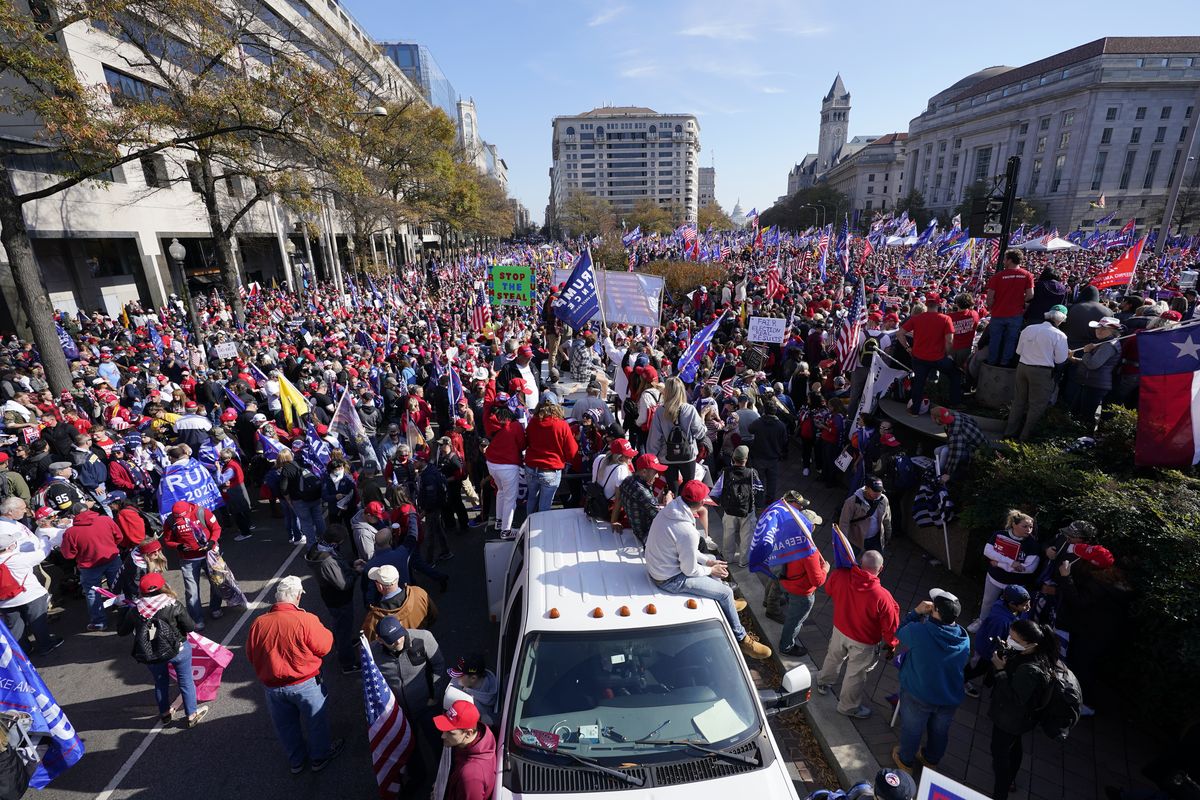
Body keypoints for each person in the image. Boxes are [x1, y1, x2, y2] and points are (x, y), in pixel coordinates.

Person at [644, 480, 771, 659]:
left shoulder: (670, 510)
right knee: (726, 591)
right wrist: (711, 571)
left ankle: (728, 606)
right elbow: (688, 571)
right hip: (669, 579)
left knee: (711, 559)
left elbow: (685, 552)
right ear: (702, 503)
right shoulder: (686, 531)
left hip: (659, 568)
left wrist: (709, 564)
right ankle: (742, 639)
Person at [245, 575, 344, 774]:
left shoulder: (259, 623)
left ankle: (296, 761)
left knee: (286, 727)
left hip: (272, 687)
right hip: (306, 684)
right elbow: (325, 646)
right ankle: (319, 757)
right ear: (298, 596)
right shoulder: (306, 620)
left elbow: (251, 654)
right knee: (316, 721)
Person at [892, 588, 970, 773]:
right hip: (948, 697)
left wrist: (916, 612)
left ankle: (905, 761)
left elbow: (900, 631)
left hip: (918, 693)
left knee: (912, 729)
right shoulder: (963, 636)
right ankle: (931, 759)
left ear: (935, 611)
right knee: (939, 731)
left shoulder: (919, 631)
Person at [117, 572, 209, 728]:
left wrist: (121, 609)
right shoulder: (173, 604)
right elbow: (191, 627)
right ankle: (191, 715)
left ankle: (165, 715)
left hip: (152, 653)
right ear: (163, 587)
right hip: (178, 650)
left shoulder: (135, 609)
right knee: (186, 681)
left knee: (160, 682)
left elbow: (122, 631)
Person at [816, 550, 900, 718]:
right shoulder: (883, 597)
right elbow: (891, 626)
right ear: (881, 568)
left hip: (840, 629)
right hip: (864, 642)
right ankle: (848, 707)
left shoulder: (841, 575)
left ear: (860, 563)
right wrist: (892, 644)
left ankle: (823, 682)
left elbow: (829, 589)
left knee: (833, 657)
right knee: (855, 674)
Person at [373, 616, 446, 790]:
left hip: (427, 706)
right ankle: (418, 776)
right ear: (379, 640)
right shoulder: (372, 653)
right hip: (400, 712)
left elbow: (439, 665)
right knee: (408, 747)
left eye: (400, 634)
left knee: (438, 742)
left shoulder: (424, 637)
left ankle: (445, 774)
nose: (399, 640)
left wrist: (434, 696)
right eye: (391, 640)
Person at [988, 619, 1058, 799]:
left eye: (1015, 640)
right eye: (1009, 637)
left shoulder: (1030, 670)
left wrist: (1001, 670)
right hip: (1020, 721)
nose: (1009, 641)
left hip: (1011, 719)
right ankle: (1010, 779)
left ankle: (1001, 791)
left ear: (1031, 644)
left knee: (1000, 755)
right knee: (1014, 746)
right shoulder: (1036, 656)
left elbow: (1015, 699)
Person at [967, 510, 1041, 633]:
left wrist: (1000, 563)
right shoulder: (1000, 535)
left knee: (1010, 608)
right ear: (1014, 525)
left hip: (1015, 585)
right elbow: (988, 552)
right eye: (1025, 526)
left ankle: (1005, 630)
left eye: (1031, 527)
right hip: (994, 578)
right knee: (987, 601)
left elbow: (1029, 568)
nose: (1029, 529)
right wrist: (1011, 562)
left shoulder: (1033, 545)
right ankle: (982, 621)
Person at [1002, 305, 1069, 441]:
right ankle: (1024, 437)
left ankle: (1009, 433)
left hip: (1023, 367)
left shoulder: (1029, 328)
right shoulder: (1060, 335)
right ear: (1061, 319)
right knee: (1037, 405)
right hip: (1041, 372)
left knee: (1018, 402)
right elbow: (1060, 359)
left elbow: (1019, 351)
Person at [776, 494, 828, 658]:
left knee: (792, 613)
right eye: (813, 525)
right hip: (801, 591)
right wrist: (825, 568)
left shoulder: (788, 537)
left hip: (787, 583)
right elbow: (817, 580)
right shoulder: (809, 551)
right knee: (795, 621)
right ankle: (786, 646)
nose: (814, 527)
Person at [59, 501, 123, 631]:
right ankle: (125, 612)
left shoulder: (70, 532)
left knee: (93, 593)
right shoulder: (106, 520)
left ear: (74, 515)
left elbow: (68, 555)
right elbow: (119, 537)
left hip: (89, 566)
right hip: (112, 558)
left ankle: (99, 622)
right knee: (119, 586)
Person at [304, 524, 359, 674]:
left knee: (339, 625)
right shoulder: (327, 562)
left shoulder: (318, 547)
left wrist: (350, 565)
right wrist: (355, 572)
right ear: (335, 542)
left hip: (330, 597)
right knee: (343, 628)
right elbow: (343, 584)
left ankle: (344, 644)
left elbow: (337, 567)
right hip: (339, 599)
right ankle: (347, 663)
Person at [0, 523, 63, 654]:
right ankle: (45, 646)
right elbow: (43, 553)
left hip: (5, 601)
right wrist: (44, 539)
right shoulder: (18, 558)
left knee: (15, 626)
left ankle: (22, 651)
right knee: (37, 621)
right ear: (10, 546)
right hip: (29, 595)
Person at [161, 499, 223, 630]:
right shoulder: (170, 521)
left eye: (183, 517)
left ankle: (215, 608)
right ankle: (197, 619)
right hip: (188, 560)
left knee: (216, 583)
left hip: (209, 556)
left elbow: (216, 528)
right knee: (191, 591)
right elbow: (167, 541)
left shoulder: (202, 512)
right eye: (178, 518)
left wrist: (212, 542)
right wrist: (179, 546)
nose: (181, 520)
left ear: (189, 510)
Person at [963, 584, 1030, 698]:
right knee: (976, 668)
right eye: (1024, 605)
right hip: (986, 650)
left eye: (1028, 603)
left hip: (991, 649)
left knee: (982, 668)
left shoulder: (1005, 606)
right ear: (1012, 604)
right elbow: (993, 640)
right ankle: (961, 681)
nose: (1028, 607)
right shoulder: (1001, 621)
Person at [896, 302, 959, 415]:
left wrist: (907, 348)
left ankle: (915, 410)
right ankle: (954, 405)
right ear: (938, 304)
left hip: (919, 358)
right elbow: (949, 341)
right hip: (938, 358)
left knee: (918, 383)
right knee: (955, 375)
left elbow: (900, 333)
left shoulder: (916, 318)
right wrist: (949, 354)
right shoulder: (945, 318)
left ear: (926, 304)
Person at [646, 376, 707, 490]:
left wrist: (652, 458)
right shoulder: (690, 409)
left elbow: (654, 438)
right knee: (689, 487)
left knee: (672, 490)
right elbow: (700, 433)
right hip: (687, 455)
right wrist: (702, 418)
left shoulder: (660, 411)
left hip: (667, 456)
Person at [433, 699, 497, 800]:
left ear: (468, 733)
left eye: (450, 732)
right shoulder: (479, 735)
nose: (443, 736)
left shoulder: (471, 778)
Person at [1067, 316, 1122, 432]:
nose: (1099, 331)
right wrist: (1074, 359)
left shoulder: (1108, 345)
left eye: (1103, 329)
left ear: (1113, 331)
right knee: (1077, 412)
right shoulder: (1104, 343)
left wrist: (1086, 352)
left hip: (1096, 385)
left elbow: (1093, 364)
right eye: (1098, 328)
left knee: (1086, 417)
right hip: (1091, 382)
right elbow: (1091, 363)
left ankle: (1085, 440)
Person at [523, 399, 577, 516]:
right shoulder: (562, 425)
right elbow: (572, 451)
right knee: (545, 505)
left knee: (532, 498)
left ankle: (529, 523)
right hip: (550, 470)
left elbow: (525, 442)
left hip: (531, 468)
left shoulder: (533, 422)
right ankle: (539, 530)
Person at [710, 445, 761, 566]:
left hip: (729, 510)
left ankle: (727, 558)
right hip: (747, 510)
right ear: (746, 458)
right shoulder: (752, 473)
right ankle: (744, 560)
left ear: (733, 458)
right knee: (747, 536)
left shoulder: (726, 472)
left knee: (728, 534)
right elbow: (758, 489)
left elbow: (716, 491)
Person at [361, 563, 437, 641]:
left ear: (380, 586)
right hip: (423, 641)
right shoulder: (419, 593)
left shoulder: (373, 620)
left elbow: (370, 644)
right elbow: (433, 615)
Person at [985, 250, 1035, 366]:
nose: (1003, 261)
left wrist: (991, 307)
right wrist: (1021, 303)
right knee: (1011, 340)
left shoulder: (997, 276)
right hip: (1016, 314)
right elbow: (1030, 295)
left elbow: (989, 298)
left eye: (1005, 259)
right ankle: (1004, 363)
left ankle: (992, 363)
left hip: (998, 314)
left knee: (995, 340)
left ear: (1010, 260)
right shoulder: (1027, 275)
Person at [483, 403, 525, 540]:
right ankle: (505, 531)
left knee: (501, 492)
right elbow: (522, 444)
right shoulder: (515, 426)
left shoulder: (493, 424)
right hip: (507, 466)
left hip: (491, 464)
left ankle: (499, 522)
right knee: (510, 499)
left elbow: (487, 408)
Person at [612, 453, 669, 545]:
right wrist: (669, 502)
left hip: (637, 528)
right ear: (644, 472)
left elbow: (619, 501)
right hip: (648, 535)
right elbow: (662, 518)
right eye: (655, 472)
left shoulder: (627, 480)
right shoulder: (643, 492)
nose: (658, 476)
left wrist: (613, 521)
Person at [931, 408, 988, 485]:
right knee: (937, 451)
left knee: (945, 451)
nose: (932, 420)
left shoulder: (956, 434)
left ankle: (940, 477)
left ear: (938, 420)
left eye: (933, 418)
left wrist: (948, 473)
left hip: (977, 451)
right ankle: (938, 470)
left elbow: (955, 455)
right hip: (966, 444)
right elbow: (974, 422)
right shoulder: (957, 415)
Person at [838, 475, 892, 555]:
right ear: (866, 488)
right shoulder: (852, 502)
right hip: (856, 541)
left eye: (880, 491)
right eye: (875, 491)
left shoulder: (883, 500)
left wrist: (888, 535)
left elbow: (887, 519)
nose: (878, 494)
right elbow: (844, 523)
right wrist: (844, 544)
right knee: (853, 565)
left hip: (875, 540)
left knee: (874, 564)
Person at [748, 400, 787, 502]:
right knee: (772, 480)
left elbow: (750, 429)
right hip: (773, 457)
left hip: (759, 456)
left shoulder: (758, 422)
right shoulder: (781, 425)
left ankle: (759, 500)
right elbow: (784, 441)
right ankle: (770, 499)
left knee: (759, 480)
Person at [445, 653, 499, 727]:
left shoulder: (478, 707)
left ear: (473, 678)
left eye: (460, 675)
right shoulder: (475, 680)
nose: (456, 678)